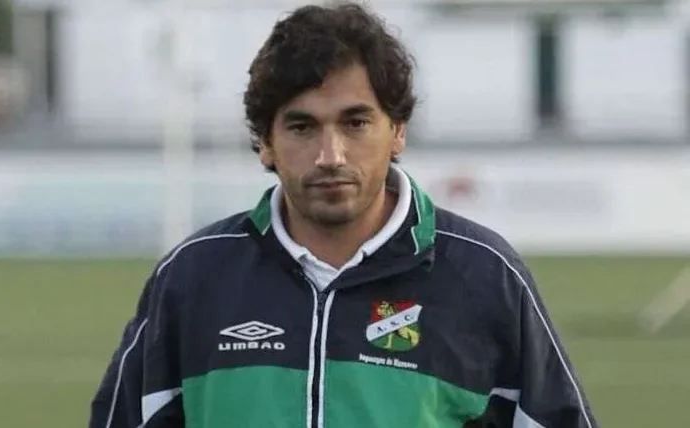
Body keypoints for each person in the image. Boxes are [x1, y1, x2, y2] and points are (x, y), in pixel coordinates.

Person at [89, 3, 599, 428]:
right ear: (265, 142)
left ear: (398, 131)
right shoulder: (192, 277)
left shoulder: (485, 276)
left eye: (355, 123)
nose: (330, 155)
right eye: (302, 127)